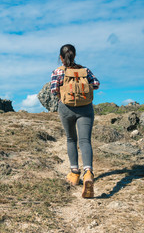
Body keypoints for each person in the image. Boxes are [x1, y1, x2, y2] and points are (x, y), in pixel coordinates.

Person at [50, 44, 100, 198]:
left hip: (66, 108)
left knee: (71, 139)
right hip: (85, 108)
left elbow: (53, 90)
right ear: (75, 55)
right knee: (85, 141)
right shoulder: (85, 70)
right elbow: (96, 84)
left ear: (61, 57)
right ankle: (88, 173)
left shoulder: (58, 71)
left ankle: (74, 174)